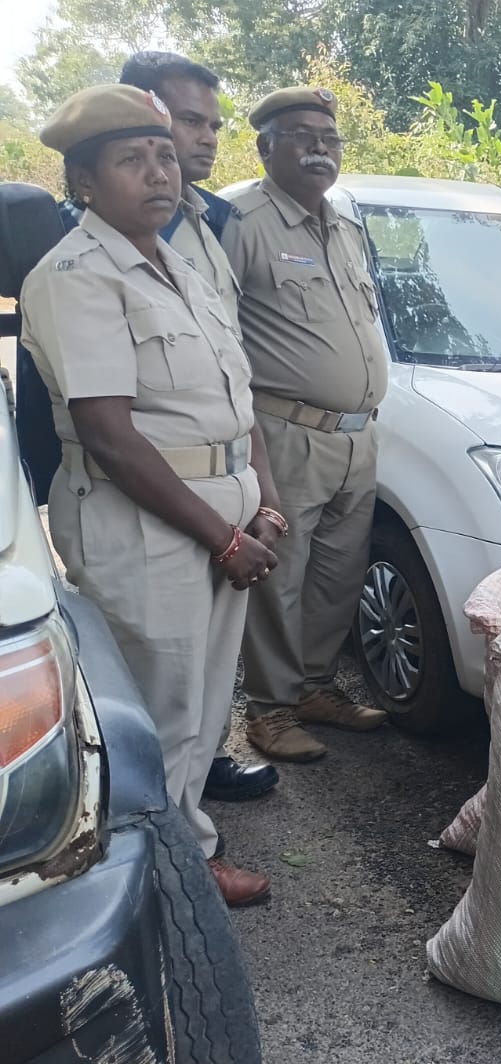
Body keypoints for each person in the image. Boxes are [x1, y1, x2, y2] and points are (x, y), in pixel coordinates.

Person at [20, 84, 282, 905]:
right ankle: (154, 885)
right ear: (84, 183)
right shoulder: (75, 275)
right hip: (146, 525)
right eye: (131, 160)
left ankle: (182, 855)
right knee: (159, 715)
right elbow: (110, 435)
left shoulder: (181, 263)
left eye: (165, 154)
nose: (159, 172)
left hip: (215, 515)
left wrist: (260, 498)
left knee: (203, 713)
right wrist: (225, 536)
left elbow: (238, 402)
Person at [118, 49, 280, 805]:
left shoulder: (211, 221)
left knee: (206, 671)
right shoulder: (90, 240)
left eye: (213, 125)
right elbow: (106, 419)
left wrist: (262, 499)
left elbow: (230, 370)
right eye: (190, 120)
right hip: (147, 493)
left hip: (222, 481)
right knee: (158, 674)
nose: (208, 139)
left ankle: (199, 773)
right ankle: (158, 831)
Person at [223, 86, 389, 762]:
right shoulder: (240, 221)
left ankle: (315, 687)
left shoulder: (344, 225)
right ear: (266, 147)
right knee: (281, 576)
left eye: (329, 137)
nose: (320, 147)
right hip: (286, 431)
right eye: (301, 135)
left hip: (358, 434)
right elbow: (217, 335)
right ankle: (268, 710)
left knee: (336, 576)